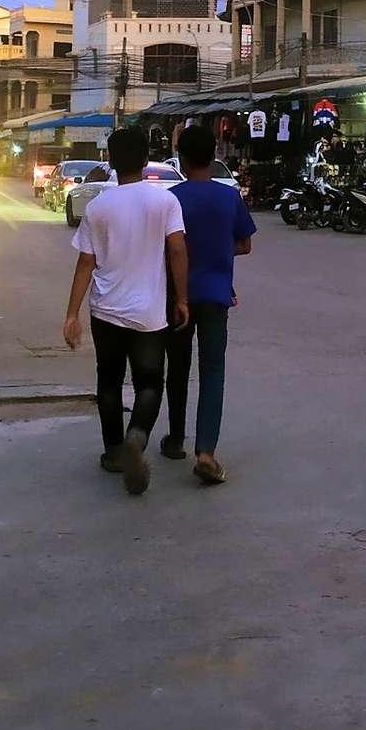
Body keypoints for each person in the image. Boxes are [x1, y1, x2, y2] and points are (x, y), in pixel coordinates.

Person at [62, 126, 188, 496]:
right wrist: (182, 299)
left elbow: (85, 264)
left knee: (110, 381)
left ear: (111, 162)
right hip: (149, 312)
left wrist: (71, 315)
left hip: (106, 311)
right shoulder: (165, 202)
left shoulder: (98, 206)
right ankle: (138, 436)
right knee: (150, 382)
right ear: (146, 159)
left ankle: (115, 451)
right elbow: (178, 250)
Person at [161, 125, 254, 485]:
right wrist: (217, 252)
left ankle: (174, 439)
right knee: (213, 370)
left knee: (178, 368)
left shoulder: (171, 198)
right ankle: (206, 452)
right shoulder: (229, 198)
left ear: (181, 159)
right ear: (214, 155)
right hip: (217, 294)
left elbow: (167, 249)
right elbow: (245, 244)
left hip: (177, 297)